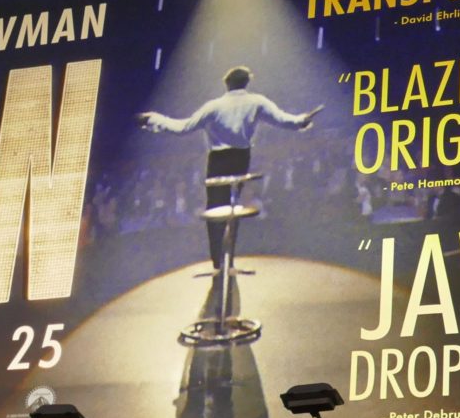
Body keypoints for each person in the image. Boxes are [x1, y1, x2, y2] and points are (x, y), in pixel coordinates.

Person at [138, 66, 322, 268]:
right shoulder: (256, 101)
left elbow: (183, 127)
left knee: (216, 210)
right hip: (241, 158)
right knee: (232, 210)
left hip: (218, 160)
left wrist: (152, 119)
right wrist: (302, 121)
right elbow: (284, 120)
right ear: (246, 82)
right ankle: (228, 258)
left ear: (227, 83)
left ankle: (218, 259)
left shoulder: (214, 106)